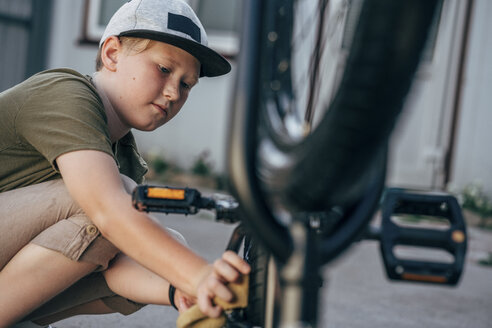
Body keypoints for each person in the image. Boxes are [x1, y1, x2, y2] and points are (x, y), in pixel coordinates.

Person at [0, 0, 250, 326]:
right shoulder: (64, 94)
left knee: (165, 247)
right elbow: (107, 209)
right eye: (163, 69)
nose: (174, 92)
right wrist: (199, 274)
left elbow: (117, 267)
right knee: (119, 203)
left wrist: (196, 291)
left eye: (187, 84)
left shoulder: (123, 158)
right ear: (112, 54)